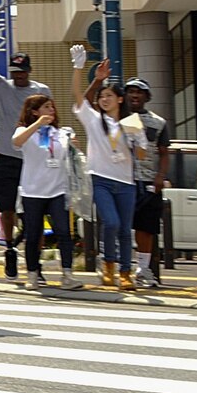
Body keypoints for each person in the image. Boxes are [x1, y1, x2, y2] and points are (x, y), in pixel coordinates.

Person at [0, 51, 51, 279]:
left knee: (35, 215)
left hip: (33, 160)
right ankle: (10, 249)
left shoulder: (41, 91)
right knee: (7, 210)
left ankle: (35, 263)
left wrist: (47, 152)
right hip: (5, 157)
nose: (19, 76)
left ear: (29, 71)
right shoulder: (3, 86)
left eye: (23, 72)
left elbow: (47, 123)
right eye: (15, 72)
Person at [72, 52, 140, 289]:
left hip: (126, 182)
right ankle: (108, 264)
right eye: (102, 97)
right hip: (101, 178)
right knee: (110, 222)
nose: (104, 99)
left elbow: (141, 155)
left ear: (120, 99)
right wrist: (79, 69)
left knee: (124, 228)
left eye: (109, 96)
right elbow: (79, 97)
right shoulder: (93, 119)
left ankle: (125, 272)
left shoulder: (132, 122)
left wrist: (136, 142)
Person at [12, 95, 84, 288]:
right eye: (46, 107)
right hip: (32, 190)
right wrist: (37, 124)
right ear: (34, 111)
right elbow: (17, 141)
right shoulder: (25, 131)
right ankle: (33, 275)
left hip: (58, 190)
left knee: (63, 231)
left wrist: (74, 147)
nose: (51, 111)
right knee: (33, 234)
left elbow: (71, 156)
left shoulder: (61, 133)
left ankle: (67, 275)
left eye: (52, 107)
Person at [122, 79, 172, 288]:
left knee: (147, 227)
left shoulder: (158, 122)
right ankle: (119, 267)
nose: (135, 96)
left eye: (139, 92)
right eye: (131, 92)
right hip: (122, 179)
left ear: (147, 97)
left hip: (148, 180)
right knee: (120, 226)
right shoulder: (116, 118)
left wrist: (160, 175)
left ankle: (144, 269)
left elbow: (164, 152)